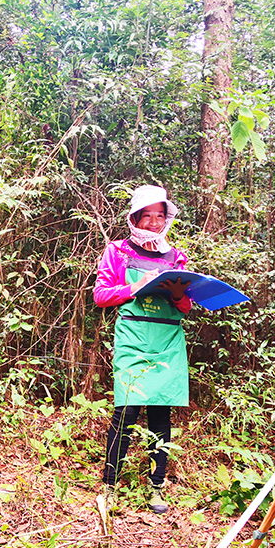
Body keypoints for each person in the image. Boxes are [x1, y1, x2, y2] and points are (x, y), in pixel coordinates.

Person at [93, 185, 192, 514]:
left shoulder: (176, 256)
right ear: (135, 217)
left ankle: (157, 488)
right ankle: (109, 487)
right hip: (133, 338)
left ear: (167, 219)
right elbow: (101, 295)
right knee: (126, 411)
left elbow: (186, 308)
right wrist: (135, 285)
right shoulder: (118, 251)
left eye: (159, 216)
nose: (153, 222)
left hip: (168, 341)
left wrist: (178, 293)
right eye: (146, 216)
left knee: (161, 414)